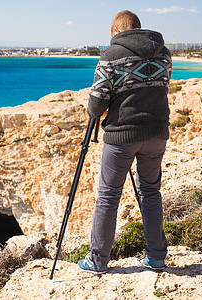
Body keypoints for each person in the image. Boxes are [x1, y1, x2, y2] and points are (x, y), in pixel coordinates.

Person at [78, 10, 172, 274]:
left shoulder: (111, 55)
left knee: (108, 196)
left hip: (121, 136)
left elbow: (96, 105)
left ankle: (98, 260)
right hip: (156, 133)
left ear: (117, 31)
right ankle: (156, 257)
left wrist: (104, 109)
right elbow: (160, 87)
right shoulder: (164, 52)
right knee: (151, 193)